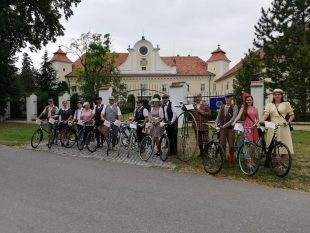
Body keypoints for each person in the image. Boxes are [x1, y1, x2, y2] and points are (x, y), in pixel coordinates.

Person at [263, 89, 294, 154]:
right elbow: (266, 114)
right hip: (272, 126)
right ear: (273, 96)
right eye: (275, 94)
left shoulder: (286, 104)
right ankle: (274, 158)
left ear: (281, 95)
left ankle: (282, 159)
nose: (277, 96)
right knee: (272, 142)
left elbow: (292, 115)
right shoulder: (269, 104)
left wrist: (288, 122)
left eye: (278, 94)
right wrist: (262, 121)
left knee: (284, 142)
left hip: (283, 126)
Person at [215, 93, 238, 164]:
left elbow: (233, 119)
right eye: (226, 98)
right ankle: (223, 158)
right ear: (225, 99)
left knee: (231, 144)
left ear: (232, 99)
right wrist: (216, 124)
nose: (228, 99)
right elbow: (218, 117)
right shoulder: (222, 107)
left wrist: (224, 125)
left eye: (229, 98)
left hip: (230, 128)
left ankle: (231, 159)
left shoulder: (234, 107)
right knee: (222, 144)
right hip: (222, 128)